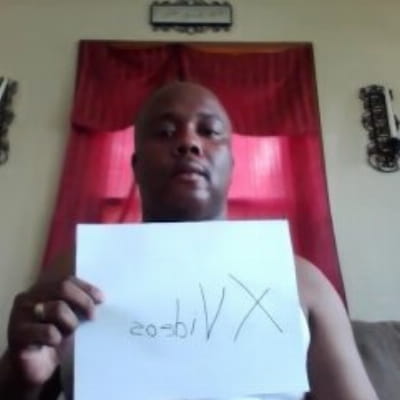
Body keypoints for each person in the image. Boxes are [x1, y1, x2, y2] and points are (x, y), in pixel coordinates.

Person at [0, 82, 379, 400]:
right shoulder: (75, 271)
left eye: (209, 131)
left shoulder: (304, 283)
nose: (188, 143)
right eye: (165, 132)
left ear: (233, 164)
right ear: (135, 166)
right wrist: (21, 377)